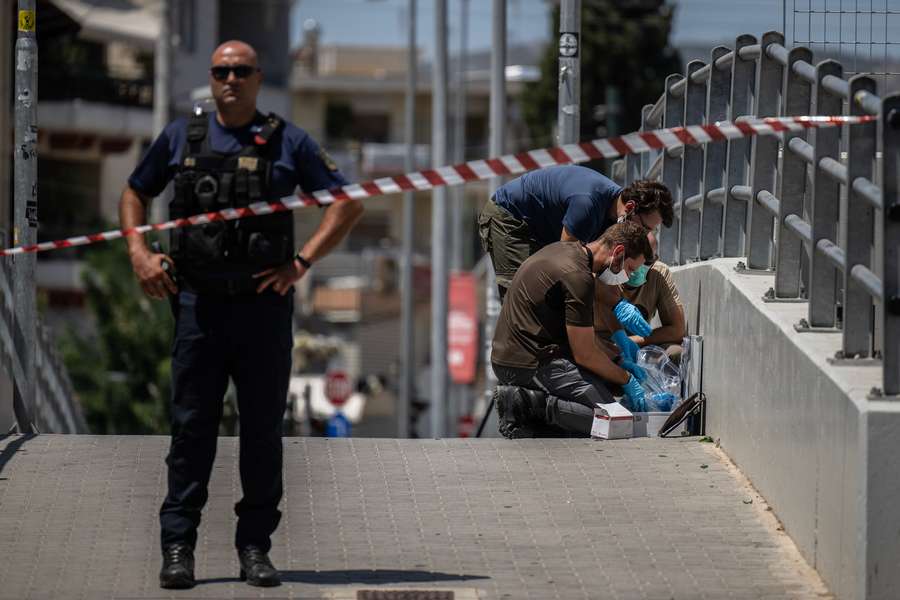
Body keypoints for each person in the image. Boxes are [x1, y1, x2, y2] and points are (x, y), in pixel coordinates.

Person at [119, 41, 363, 590]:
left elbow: (348, 202)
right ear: (212, 77)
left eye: (242, 71)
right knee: (190, 432)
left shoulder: (287, 141)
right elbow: (134, 193)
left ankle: (255, 548)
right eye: (222, 71)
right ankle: (177, 547)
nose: (231, 79)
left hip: (262, 311)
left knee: (260, 435)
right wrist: (139, 254)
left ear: (257, 78)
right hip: (198, 306)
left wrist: (301, 263)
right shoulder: (183, 136)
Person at [490, 221, 654, 437]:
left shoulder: (566, 250)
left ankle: (543, 419)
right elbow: (584, 354)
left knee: (608, 384)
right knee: (616, 421)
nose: (627, 277)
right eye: (630, 269)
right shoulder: (578, 277)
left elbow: (582, 338)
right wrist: (626, 378)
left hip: (521, 353)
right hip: (526, 363)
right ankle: (528, 402)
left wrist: (619, 362)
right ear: (619, 252)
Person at [477, 164, 673, 301]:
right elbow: (566, 264)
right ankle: (518, 357)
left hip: (543, 230)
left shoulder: (615, 216)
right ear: (630, 207)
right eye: (644, 227)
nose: (642, 234)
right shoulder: (588, 205)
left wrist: (617, 326)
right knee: (525, 295)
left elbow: (599, 272)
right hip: (511, 218)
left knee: (554, 293)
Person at [595, 234, 686, 365]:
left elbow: (677, 330)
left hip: (637, 344)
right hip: (600, 345)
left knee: (675, 352)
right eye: (634, 263)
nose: (639, 268)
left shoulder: (658, 274)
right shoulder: (604, 272)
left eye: (647, 262)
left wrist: (630, 341)